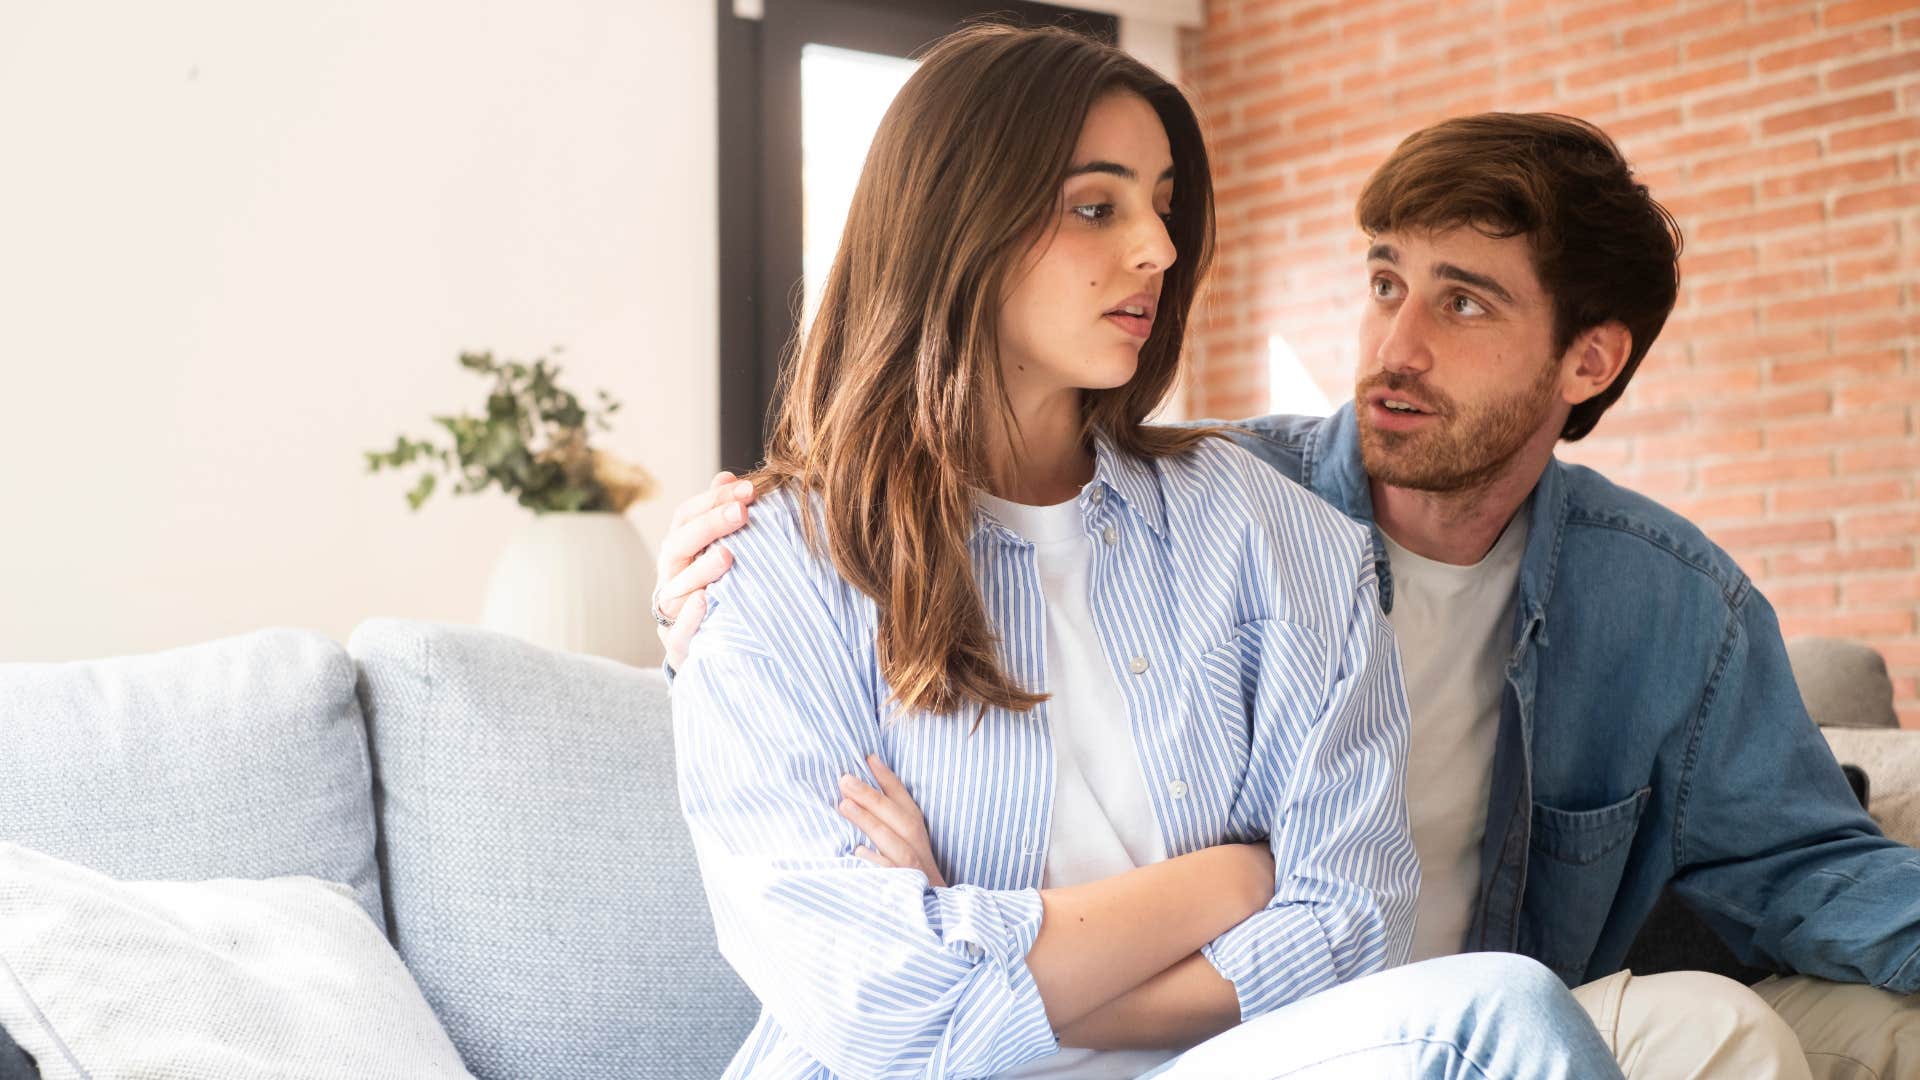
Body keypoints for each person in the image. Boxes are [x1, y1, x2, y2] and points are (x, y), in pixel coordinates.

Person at [662, 109, 1920, 1078]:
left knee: (1787, 1023)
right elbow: (847, 916)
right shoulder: (1215, 504)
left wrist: (997, 952)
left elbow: (1807, 867)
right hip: (1276, 1021)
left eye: (1462, 302)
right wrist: (701, 614)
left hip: (1404, 1009)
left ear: (1586, 361)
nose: (1395, 348)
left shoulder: (1668, 602)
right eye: (1385, 284)